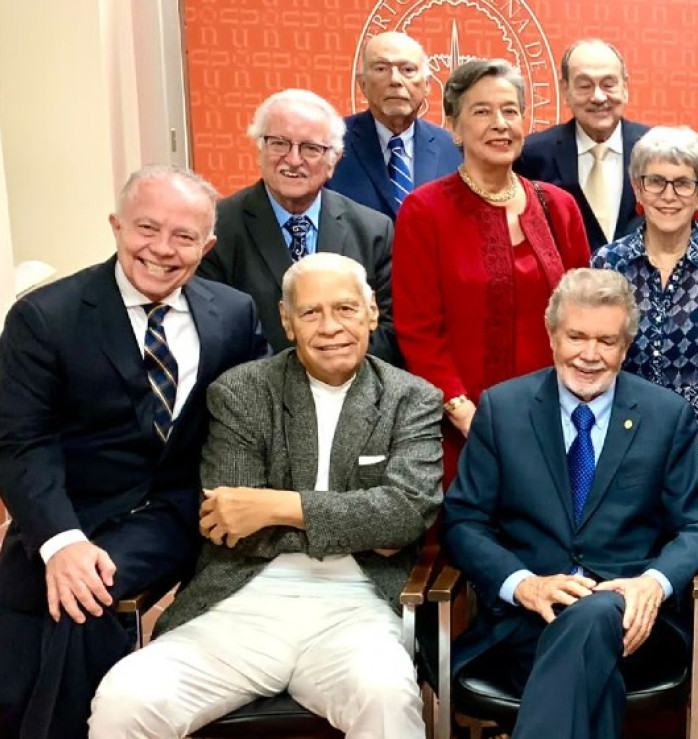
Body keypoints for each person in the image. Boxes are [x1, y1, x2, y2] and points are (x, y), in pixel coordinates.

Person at [89, 253, 443, 738]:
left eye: (345, 309)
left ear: (372, 313)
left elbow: (404, 516)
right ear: (287, 322)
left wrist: (276, 507)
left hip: (357, 607)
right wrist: (361, 523)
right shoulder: (241, 392)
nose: (330, 327)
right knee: (126, 698)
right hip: (244, 599)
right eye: (311, 313)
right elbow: (229, 527)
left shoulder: (411, 399)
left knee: (387, 697)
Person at [0, 165, 268, 739]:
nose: (163, 250)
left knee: (82, 600)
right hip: (71, 509)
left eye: (184, 237)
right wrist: (62, 541)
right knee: (27, 601)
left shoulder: (234, 315)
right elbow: (24, 442)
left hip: (174, 513)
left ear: (208, 245)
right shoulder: (45, 318)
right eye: (147, 228)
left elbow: (257, 418)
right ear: (116, 225)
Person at [442, 268, 698, 739]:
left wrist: (652, 584)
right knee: (592, 675)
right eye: (576, 337)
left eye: (607, 341)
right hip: (527, 624)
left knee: (596, 612)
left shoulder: (665, 416)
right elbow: (462, 522)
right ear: (552, 337)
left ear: (625, 347)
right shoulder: (502, 410)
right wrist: (523, 584)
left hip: (632, 625)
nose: (590, 356)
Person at [394, 59, 590, 482]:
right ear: (455, 127)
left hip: (557, 426)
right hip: (463, 433)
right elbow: (418, 331)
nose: (500, 124)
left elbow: (585, 316)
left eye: (510, 110)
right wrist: (465, 414)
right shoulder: (424, 211)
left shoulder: (559, 206)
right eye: (481, 112)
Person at [591, 125, 698, 517]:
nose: (669, 196)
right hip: (618, 469)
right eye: (656, 182)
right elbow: (590, 365)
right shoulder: (608, 265)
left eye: (684, 183)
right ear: (638, 189)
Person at [201, 89, 400, 364]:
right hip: (255, 396)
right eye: (279, 143)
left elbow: (388, 329)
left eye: (310, 148)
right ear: (260, 149)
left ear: (333, 161)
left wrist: (334, 375)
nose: (293, 159)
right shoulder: (218, 227)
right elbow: (212, 331)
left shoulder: (373, 230)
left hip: (352, 392)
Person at [516, 39, 649, 248]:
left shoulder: (656, 150)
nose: (598, 97)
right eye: (585, 86)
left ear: (625, 87)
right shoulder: (532, 157)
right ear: (565, 90)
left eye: (608, 84)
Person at [327, 32, 461, 219]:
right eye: (381, 69)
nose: (395, 80)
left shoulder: (454, 149)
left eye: (407, 70)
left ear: (428, 84)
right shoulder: (329, 143)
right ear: (362, 83)